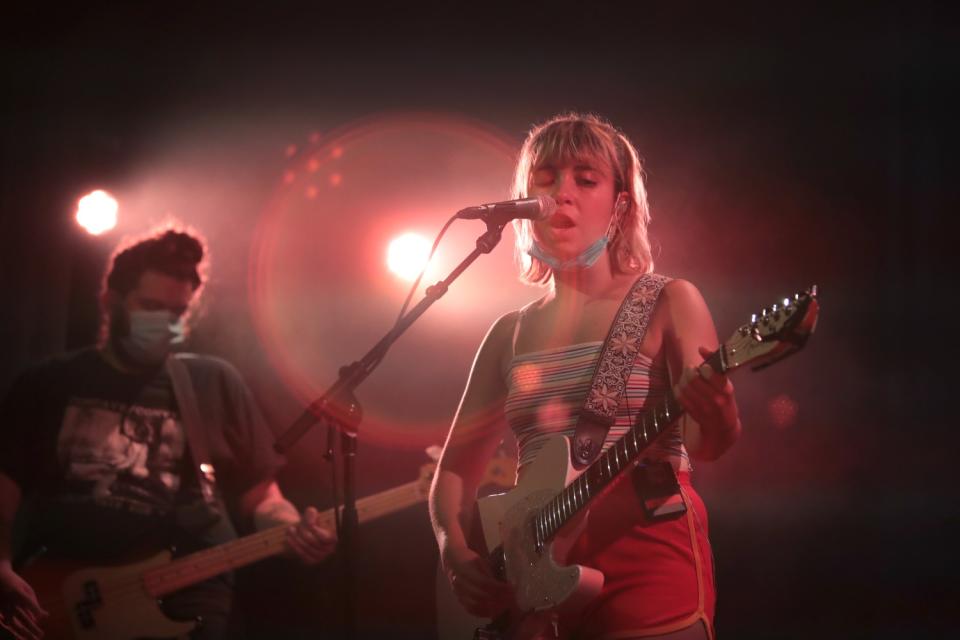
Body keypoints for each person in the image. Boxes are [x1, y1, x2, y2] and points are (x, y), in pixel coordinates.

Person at [429, 113, 741, 640]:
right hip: (532, 575)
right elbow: (454, 473)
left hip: (649, 556)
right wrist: (455, 553)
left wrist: (718, 411)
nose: (562, 192)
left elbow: (708, 445)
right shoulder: (508, 333)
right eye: (546, 177)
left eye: (586, 178)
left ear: (621, 204)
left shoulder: (669, 300)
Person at [0, 228, 335, 640]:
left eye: (176, 313)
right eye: (150, 306)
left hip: (189, 602)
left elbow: (261, 493)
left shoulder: (213, 381)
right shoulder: (48, 382)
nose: (164, 323)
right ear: (111, 300)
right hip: (62, 595)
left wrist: (292, 524)